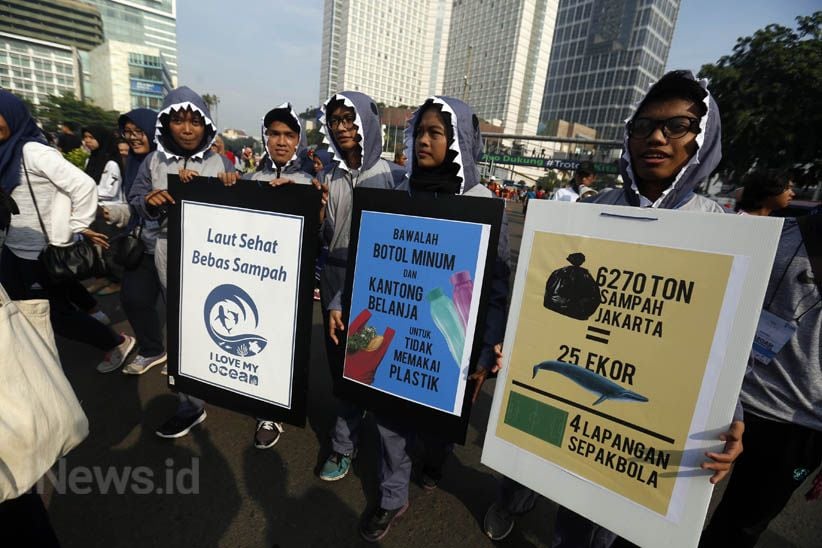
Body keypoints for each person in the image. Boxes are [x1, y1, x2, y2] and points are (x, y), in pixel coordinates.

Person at [482, 70, 742, 546]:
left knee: (601, 518)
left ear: (702, 139)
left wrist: (732, 412)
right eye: (643, 126)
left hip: (641, 414)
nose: (656, 137)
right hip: (568, 369)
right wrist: (515, 343)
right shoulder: (591, 208)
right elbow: (540, 295)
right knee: (535, 449)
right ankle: (513, 499)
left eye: (676, 126)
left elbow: (724, 342)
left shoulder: (718, 230)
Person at [359, 96, 510, 542]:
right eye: (418, 132)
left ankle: (435, 457)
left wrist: (486, 348)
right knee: (388, 419)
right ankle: (391, 496)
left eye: (435, 133)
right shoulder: (398, 195)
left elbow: (497, 286)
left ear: (459, 141)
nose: (423, 141)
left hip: (450, 340)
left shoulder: (481, 201)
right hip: (398, 327)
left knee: (438, 422)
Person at [700, 179, 820, 548]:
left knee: (741, 528)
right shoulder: (773, 236)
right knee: (665, 506)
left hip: (800, 427)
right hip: (723, 399)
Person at [0, 90, 135, 374]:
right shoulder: (6, 152)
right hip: (14, 247)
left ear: (11, 116)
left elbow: (83, 186)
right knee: (20, 306)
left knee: (54, 315)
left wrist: (76, 226)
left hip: (40, 249)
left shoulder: (31, 151)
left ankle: (115, 342)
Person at [128, 86, 236, 438]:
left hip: (210, 255)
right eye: (178, 121)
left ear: (205, 124)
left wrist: (230, 185)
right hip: (168, 249)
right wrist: (152, 199)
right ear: (166, 124)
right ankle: (190, 404)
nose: (187, 130)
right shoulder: (154, 160)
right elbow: (136, 198)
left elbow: (239, 215)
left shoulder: (219, 162)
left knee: (213, 319)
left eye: (194, 122)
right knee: (180, 327)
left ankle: (221, 377)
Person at [318, 91, 396, 482]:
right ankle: (344, 444)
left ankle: (375, 451)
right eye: (335, 120)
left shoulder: (392, 176)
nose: (343, 127)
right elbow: (325, 234)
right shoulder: (328, 175)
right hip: (334, 274)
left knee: (369, 362)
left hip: (372, 280)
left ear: (368, 122)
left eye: (350, 119)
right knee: (341, 367)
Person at [241, 102, 314, 450]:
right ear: (265, 137)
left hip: (292, 281)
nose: (281, 141)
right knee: (257, 339)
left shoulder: (310, 181)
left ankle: (274, 409)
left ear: (298, 139)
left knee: (285, 346)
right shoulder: (251, 178)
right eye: (274, 134)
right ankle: (260, 403)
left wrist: (318, 202)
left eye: (288, 134)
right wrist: (228, 186)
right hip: (255, 277)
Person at [116, 107, 169, 377]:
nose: (133, 137)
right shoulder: (134, 163)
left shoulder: (164, 160)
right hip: (143, 245)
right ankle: (152, 350)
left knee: (179, 306)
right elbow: (133, 201)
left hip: (171, 246)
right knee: (133, 297)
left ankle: (186, 357)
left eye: (139, 131)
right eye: (128, 132)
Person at [82, 125, 125, 296]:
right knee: (96, 246)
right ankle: (103, 276)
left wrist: (86, 192)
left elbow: (110, 191)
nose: (87, 141)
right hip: (92, 209)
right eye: (85, 137)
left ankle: (118, 280)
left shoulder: (112, 163)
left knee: (110, 248)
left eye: (91, 137)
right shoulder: (90, 160)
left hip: (109, 211)